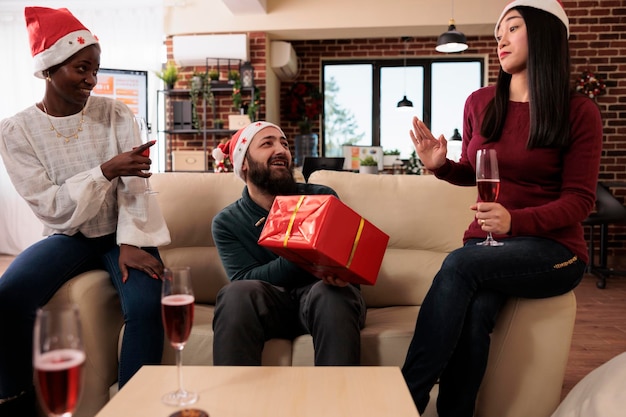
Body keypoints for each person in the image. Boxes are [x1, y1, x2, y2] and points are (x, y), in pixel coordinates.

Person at [401, 1, 603, 416]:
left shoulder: (578, 111)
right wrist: (442, 168)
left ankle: (402, 400)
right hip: (488, 245)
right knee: (474, 312)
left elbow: (581, 200)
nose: (501, 40)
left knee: (458, 265)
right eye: (498, 33)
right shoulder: (479, 102)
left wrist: (517, 221)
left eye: (512, 28)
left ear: (546, 35)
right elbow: (476, 173)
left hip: (553, 249)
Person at [0, 7, 171, 416]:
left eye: (95, 69)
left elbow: (135, 183)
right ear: (50, 68)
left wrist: (130, 240)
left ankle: (135, 409)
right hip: (67, 237)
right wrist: (106, 169)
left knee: (148, 305)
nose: (92, 80)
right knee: (7, 298)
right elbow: (54, 208)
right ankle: (16, 403)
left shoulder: (116, 113)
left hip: (122, 232)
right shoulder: (16, 131)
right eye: (81, 69)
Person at [211, 121, 367, 366]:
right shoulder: (227, 222)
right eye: (267, 143)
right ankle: (234, 401)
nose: (281, 149)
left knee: (333, 294)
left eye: (284, 143)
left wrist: (344, 271)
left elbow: (344, 255)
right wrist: (303, 253)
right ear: (243, 163)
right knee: (236, 294)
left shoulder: (320, 196)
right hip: (272, 307)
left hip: (322, 299)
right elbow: (244, 278)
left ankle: (338, 400)